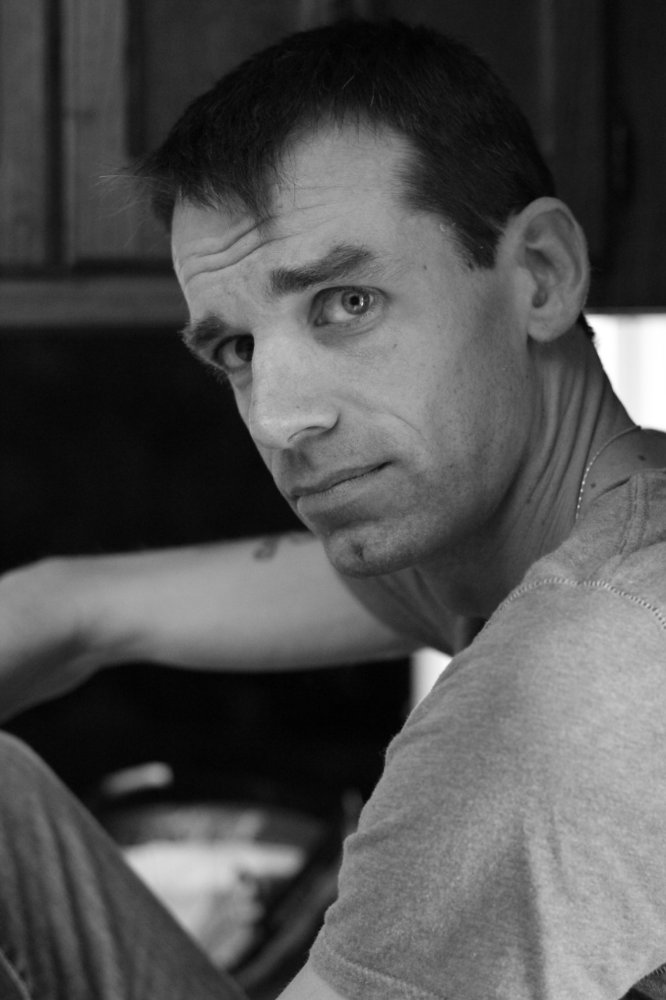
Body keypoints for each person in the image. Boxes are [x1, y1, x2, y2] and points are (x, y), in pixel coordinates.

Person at [1, 16, 665, 1000]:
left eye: (345, 303)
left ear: (541, 274)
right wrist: (59, 603)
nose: (279, 417)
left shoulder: (558, 693)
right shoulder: (591, 528)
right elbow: (81, 608)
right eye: (237, 349)